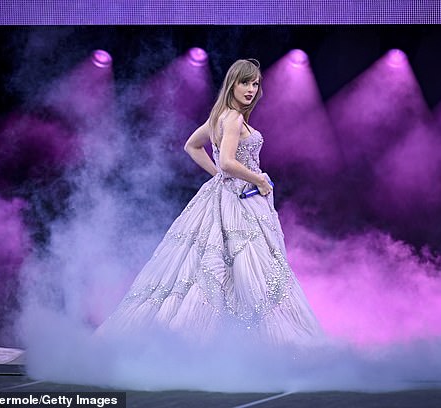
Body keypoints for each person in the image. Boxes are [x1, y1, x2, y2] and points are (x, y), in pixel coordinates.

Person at [96, 58, 324, 347]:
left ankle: (217, 343)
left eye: (255, 83)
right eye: (245, 82)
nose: (251, 89)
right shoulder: (234, 118)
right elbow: (228, 162)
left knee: (216, 267)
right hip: (239, 202)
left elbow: (192, 146)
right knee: (245, 268)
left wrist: (220, 175)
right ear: (232, 84)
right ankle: (253, 346)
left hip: (229, 197)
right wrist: (258, 180)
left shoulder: (221, 116)